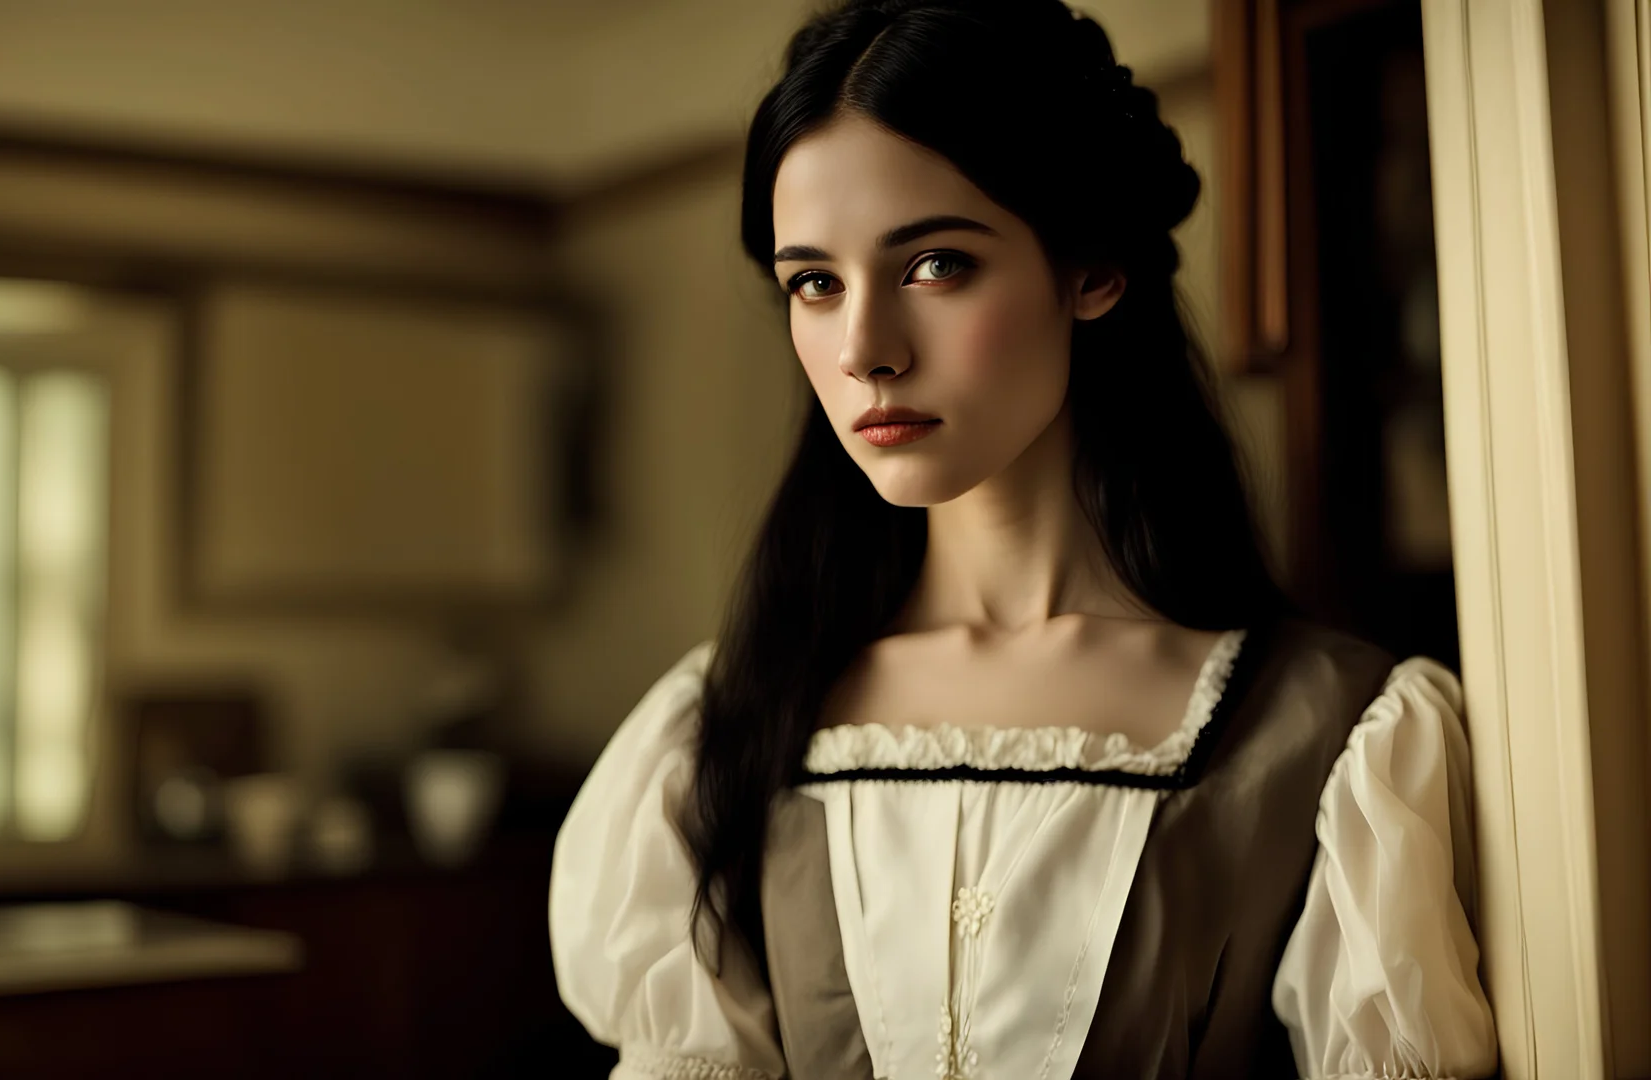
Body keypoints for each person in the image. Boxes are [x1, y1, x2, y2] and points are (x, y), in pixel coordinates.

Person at [548, 1, 1498, 1076]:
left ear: (1090, 270)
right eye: (815, 282)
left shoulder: (1334, 730)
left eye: (934, 265)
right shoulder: (727, 720)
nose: (865, 350)